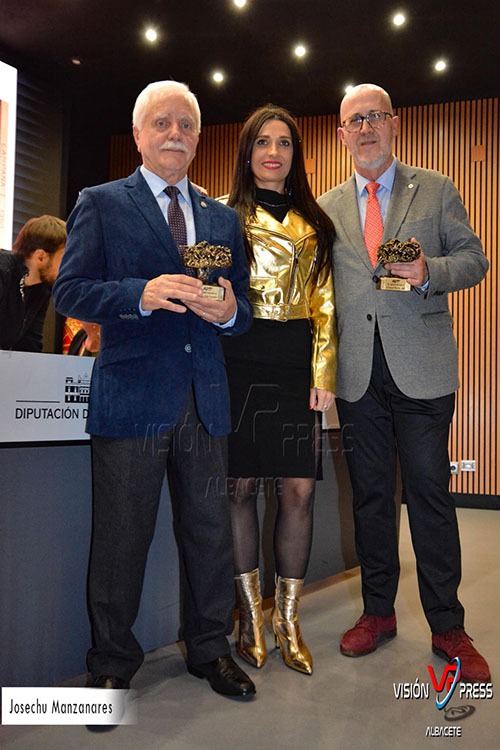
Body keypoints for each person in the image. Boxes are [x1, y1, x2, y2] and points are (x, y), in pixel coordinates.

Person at [53, 80, 256, 698]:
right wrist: (138, 294)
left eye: (186, 125)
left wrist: (230, 312)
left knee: (210, 534)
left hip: (205, 397)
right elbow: (70, 290)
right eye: (162, 123)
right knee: (121, 538)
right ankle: (112, 661)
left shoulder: (222, 218)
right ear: (139, 135)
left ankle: (211, 649)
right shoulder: (101, 202)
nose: (175, 134)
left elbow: (244, 307)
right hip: (132, 399)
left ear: (198, 139)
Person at [317, 84, 490, 681]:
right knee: (370, 498)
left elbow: (474, 259)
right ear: (341, 133)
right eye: (354, 120)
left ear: (395, 124)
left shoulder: (435, 188)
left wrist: (427, 270)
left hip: (423, 368)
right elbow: (322, 295)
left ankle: (448, 624)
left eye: (376, 117)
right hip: (357, 374)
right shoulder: (327, 207)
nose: (366, 128)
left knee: (429, 495)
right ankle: (378, 613)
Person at [221, 105, 337, 675]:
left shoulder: (315, 222)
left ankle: (287, 619)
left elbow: (326, 304)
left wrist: (323, 375)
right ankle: (249, 617)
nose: (274, 152)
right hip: (238, 356)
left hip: (294, 361)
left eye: (284, 143)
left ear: (296, 154)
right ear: (247, 153)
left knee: (298, 490)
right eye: (263, 142)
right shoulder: (222, 216)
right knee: (239, 487)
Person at [0, 215, 66, 351]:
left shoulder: (41, 289)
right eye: (64, 260)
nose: (69, 268)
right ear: (41, 256)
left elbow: (30, 343)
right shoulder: (3, 269)